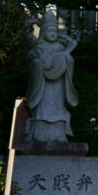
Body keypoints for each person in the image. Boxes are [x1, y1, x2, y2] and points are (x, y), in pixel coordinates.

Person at [25, 11, 78, 143]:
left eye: (55, 30)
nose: (53, 33)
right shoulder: (38, 47)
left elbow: (66, 61)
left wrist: (68, 52)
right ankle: (38, 134)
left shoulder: (60, 47)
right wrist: (40, 66)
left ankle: (59, 134)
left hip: (58, 86)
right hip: (42, 87)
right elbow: (33, 63)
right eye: (49, 30)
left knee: (59, 111)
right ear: (43, 32)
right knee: (41, 111)